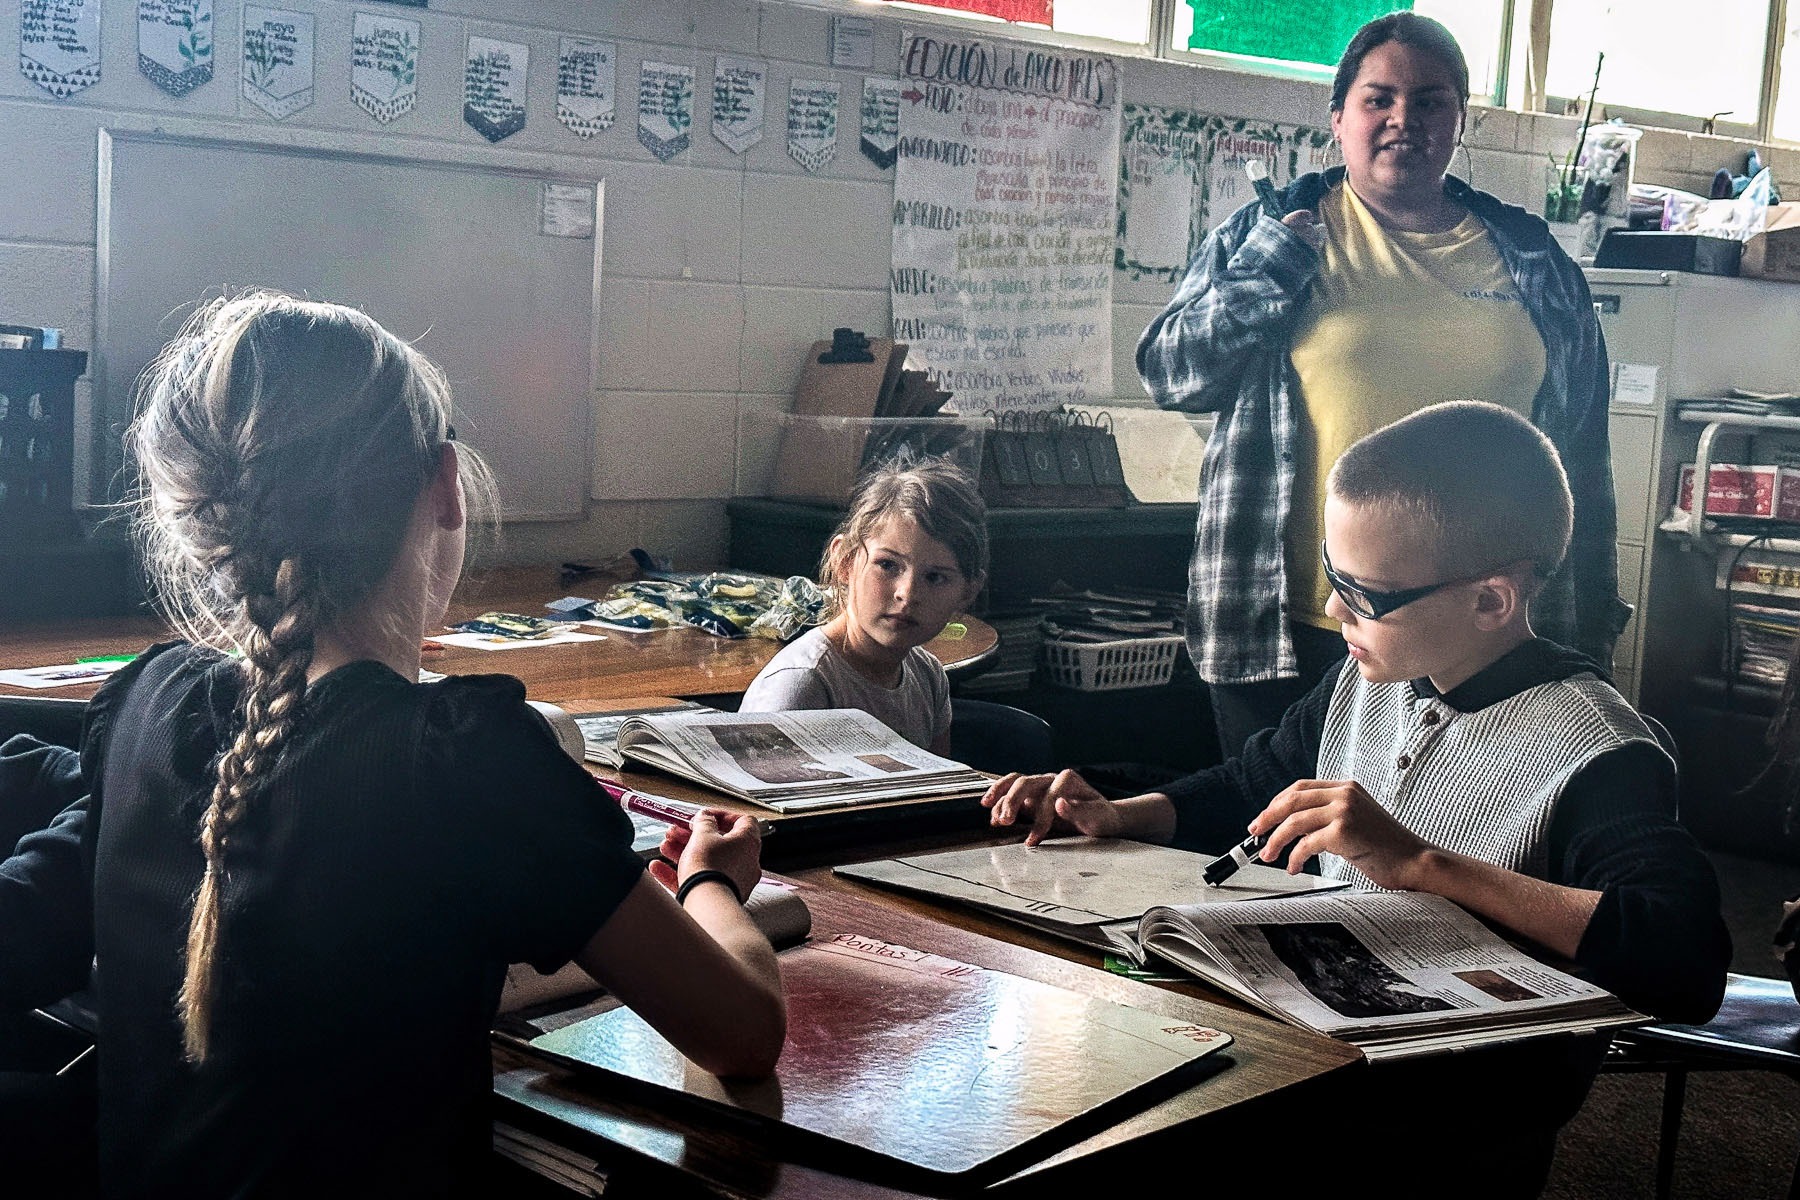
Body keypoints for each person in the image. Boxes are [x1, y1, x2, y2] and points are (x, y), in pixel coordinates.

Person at [74, 292, 785, 1197]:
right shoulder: (460, 760)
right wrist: (715, 882)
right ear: (443, 482)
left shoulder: (144, 700)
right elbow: (742, 1033)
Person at [984, 404, 1728, 1196]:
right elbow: (1252, 783)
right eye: (1333, 579)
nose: (1336, 611)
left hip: (1461, 1113)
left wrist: (1418, 864)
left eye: (1365, 594)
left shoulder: (1597, 747)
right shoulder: (1371, 677)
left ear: (1490, 601)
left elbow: (1684, 959)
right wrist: (1118, 815)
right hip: (1334, 1052)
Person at [1138, 11, 1629, 757]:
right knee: (1272, 852)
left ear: (1460, 121)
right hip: (1295, 621)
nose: (1405, 119)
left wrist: (1587, 622)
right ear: (1339, 118)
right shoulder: (1266, 232)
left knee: (1449, 853)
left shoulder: (1532, 258)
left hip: (1476, 631)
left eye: (1431, 101)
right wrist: (1273, 265)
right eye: (1380, 99)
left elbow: (1582, 457)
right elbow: (1171, 374)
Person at [739, 458, 988, 754]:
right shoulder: (801, 685)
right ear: (845, 562)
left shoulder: (929, 677)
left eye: (935, 577)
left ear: (966, 593)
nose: (907, 594)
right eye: (887, 565)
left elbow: (938, 797)